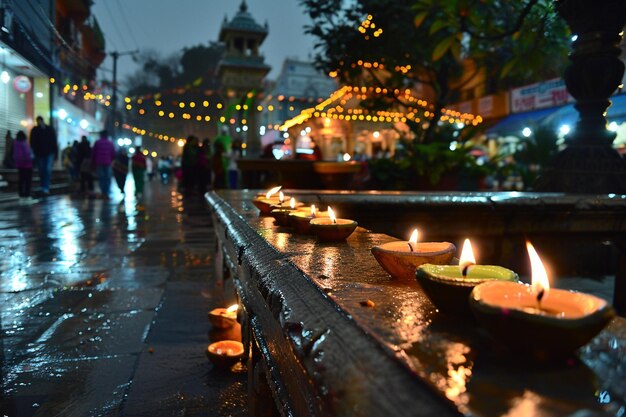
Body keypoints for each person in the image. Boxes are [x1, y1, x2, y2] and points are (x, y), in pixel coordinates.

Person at [29, 116, 58, 195]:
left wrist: (55, 153)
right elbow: (32, 143)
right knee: (42, 170)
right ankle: (44, 186)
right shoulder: (35, 130)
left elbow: (54, 141)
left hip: (48, 153)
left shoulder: (49, 129)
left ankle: (45, 187)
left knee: (46, 170)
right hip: (40, 153)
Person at [91, 130, 116, 199]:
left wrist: (93, 163)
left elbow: (93, 153)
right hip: (108, 162)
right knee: (107, 178)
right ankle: (106, 192)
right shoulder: (110, 143)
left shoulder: (97, 143)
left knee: (101, 178)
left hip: (99, 163)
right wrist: (111, 159)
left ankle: (103, 192)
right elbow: (113, 153)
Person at [12, 130, 35, 203]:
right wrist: (32, 158)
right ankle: (27, 197)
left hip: (19, 165)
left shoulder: (15, 144)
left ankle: (21, 197)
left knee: (21, 181)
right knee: (27, 181)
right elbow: (27, 154)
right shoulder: (24, 144)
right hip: (27, 165)